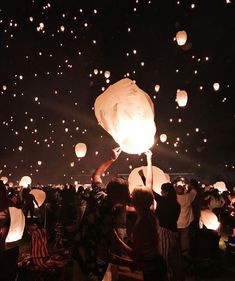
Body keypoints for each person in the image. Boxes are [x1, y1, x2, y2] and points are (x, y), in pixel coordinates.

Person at [72, 147, 130, 281]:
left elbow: (96, 175)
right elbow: (104, 254)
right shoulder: (107, 217)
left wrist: (111, 159)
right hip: (90, 266)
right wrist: (130, 263)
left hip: (79, 250)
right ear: (118, 196)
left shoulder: (98, 194)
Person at [113, 151, 167, 281]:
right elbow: (149, 183)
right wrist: (149, 160)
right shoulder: (150, 212)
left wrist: (115, 238)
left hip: (151, 269)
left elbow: (135, 255)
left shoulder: (141, 224)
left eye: (131, 194)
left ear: (135, 201)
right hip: (159, 263)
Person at [154, 183, 184, 281]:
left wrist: (142, 176)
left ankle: (167, 276)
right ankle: (175, 276)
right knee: (174, 257)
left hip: (164, 232)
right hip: (174, 232)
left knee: (164, 256)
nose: (161, 192)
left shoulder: (162, 201)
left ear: (166, 192)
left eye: (162, 190)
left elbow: (151, 191)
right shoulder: (177, 205)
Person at [0, 180, 10, 250]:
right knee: (3, 240)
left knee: (2, 240)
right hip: (5, 219)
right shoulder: (6, 198)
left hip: (5, 219)